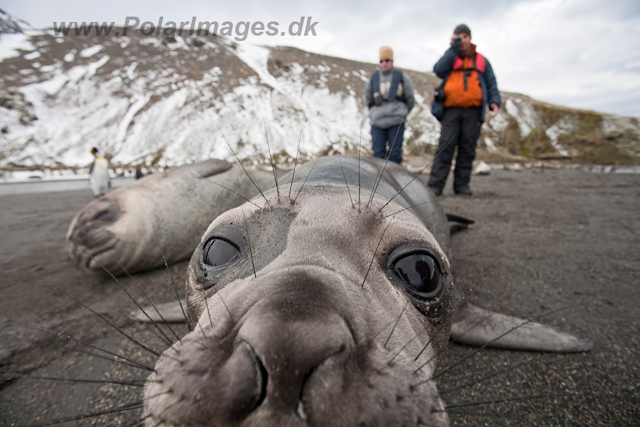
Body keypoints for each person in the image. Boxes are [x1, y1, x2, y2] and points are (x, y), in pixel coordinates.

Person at [428, 24, 500, 196]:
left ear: (470, 38)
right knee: (445, 146)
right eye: (457, 37)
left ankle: (462, 186)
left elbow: (491, 82)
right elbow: (438, 70)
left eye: (464, 37)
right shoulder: (451, 57)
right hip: (450, 110)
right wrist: (452, 49)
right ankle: (435, 187)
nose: (462, 40)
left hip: (473, 111)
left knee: (468, 148)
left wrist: (494, 101)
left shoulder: (481, 60)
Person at [365, 46, 415, 164]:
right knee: (378, 154)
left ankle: (394, 180)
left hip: (396, 121)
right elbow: (368, 100)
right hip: (377, 122)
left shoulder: (402, 77)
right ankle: (377, 181)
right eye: (381, 61)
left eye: (387, 60)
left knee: (395, 154)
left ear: (392, 61)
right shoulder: (373, 79)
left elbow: (410, 99)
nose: (384, 63)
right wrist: (374, 113)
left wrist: (402, 113)